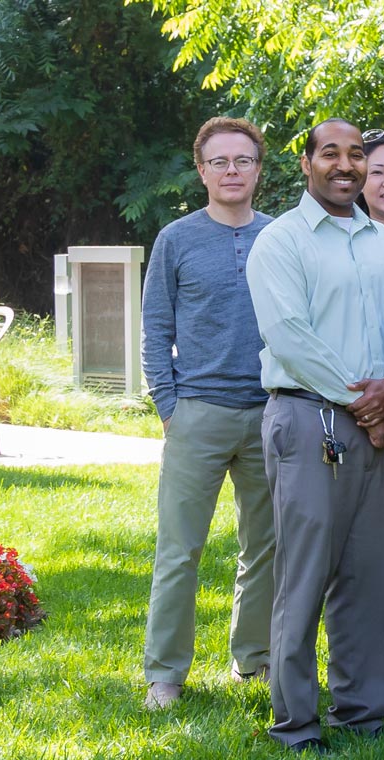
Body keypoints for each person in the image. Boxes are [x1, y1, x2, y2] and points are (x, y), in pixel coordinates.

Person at [245, 118, 384, 753]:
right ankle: (296, 722)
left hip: (381, 419)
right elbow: (289, 335)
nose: (346, 166)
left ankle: (364, 711)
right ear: (308, 163)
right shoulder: (281, 241)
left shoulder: (381, 240)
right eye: (331, 154)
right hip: (308, 419)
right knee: (305, 574)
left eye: (356, 155)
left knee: (374, 573)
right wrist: (361, 402)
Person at [139, 116, 277, 711]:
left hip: (272, 412)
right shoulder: (177, 238)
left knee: (267, 547)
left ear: (258, 170)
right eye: (218, 161)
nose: (231, 171)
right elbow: (154, 329)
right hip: (197, 412)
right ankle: (165, 673)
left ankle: (257, 658)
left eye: (242, 161)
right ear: (201, 171)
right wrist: (170, 408)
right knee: (179, 550)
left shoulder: (280, 236)